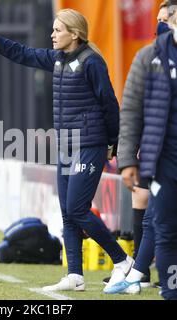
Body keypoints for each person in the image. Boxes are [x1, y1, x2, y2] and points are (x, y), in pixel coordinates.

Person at [0, 8, 134, 293]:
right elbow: (23, 53)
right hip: (66, 145)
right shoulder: (57, 60)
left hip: (90, 144)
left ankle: (122, 260)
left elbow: (109, 103)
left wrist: (113, 143)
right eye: (52, 29)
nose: (52, 35)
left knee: (78, 210)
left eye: (58, 30)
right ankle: (75, 276)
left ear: (75, 34)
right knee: (68, 212)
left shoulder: (92, 62)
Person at [105, 0, 177, 300]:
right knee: (165, 228)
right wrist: (126, 161)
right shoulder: (150, 56)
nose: (160, 25)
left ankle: (137, 273)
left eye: (164, 18)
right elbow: (131, 109)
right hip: (165, 159)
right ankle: (169, 291)